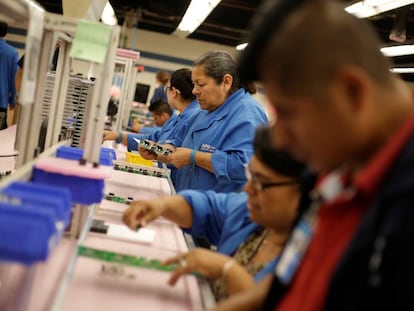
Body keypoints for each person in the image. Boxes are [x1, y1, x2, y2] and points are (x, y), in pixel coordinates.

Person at [212, 0, 414, 310]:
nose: (278, 137)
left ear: (353, 92)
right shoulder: (329, 172)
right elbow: (292, 276)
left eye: (288, 114)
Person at [123, 127, 309, 301]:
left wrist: (227, 269)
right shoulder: (254, 217)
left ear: (305, 189)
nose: (248, 188)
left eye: (261, 182)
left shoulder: (311, 261)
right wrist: (161, 204)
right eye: (251, 176)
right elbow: (208, 207)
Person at [165, 50, 268, 192]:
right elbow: (176, 143)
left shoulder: (247, 114)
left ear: (226, 82)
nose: (195, 91)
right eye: (194, 84)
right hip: (187, 201)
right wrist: (158, 150)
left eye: (200, 84)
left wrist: (194, 157)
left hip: (217, 211)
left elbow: (244, 166)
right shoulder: (202, 112)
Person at [103, 99, 175, 151]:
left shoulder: (174, 126)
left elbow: (155, 143)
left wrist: (141, 129)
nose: (155, 121)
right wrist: (118, 136)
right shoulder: (170, 124)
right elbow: (152, 138)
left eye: (155, 118)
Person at [0, 21, 18, 130]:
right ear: (6, 33)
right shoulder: (12, 53)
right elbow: (14, 77)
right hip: (1, 99)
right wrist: (13, 99)